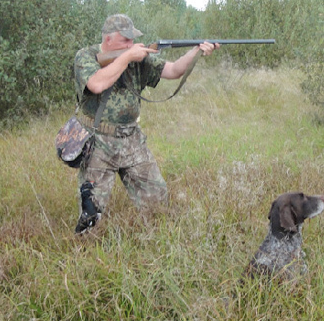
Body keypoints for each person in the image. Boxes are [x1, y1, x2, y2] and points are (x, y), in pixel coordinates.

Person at [73, 14, 219, 234]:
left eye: (132, 40)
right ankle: (83, 254)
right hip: (98, 142)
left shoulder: (137, 58)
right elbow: (96, 84)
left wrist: (196, 50)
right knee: (92, 214)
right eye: (125, 40)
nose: (131, 45)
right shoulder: (87, 56)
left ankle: (156, 241)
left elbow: (173, 70)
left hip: (132, 139)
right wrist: (127, 57)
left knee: (157, 203)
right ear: (109, 39)